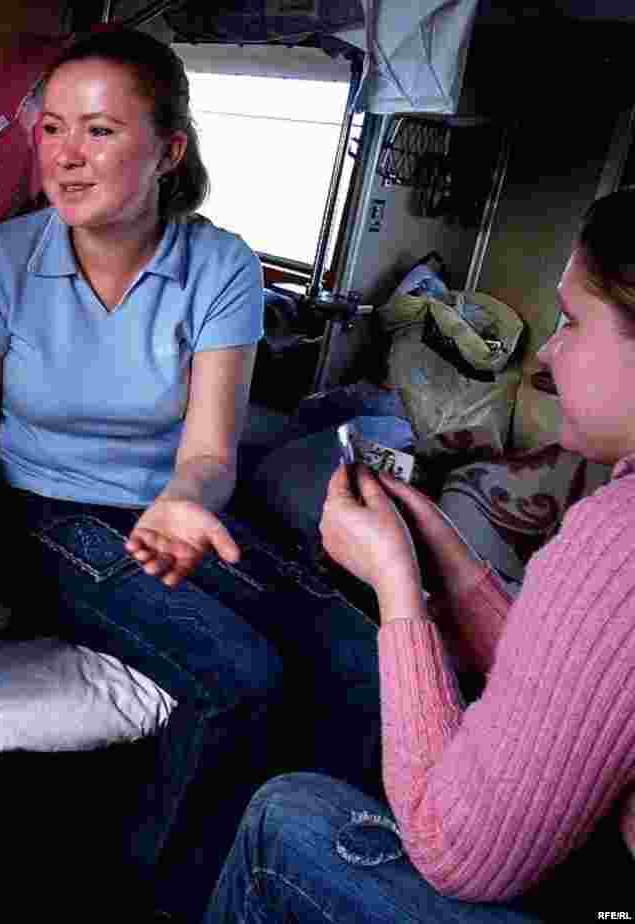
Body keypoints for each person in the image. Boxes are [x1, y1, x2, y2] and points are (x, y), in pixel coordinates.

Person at [0, 27, 382, 921]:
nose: (65, 158)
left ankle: (344, 882)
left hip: (167, 511)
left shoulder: (221, 265)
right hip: (42, 512)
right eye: (50, 130)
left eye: (99, 131)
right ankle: (168, 899)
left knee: (358, 659)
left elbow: (206, 454)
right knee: (241, 677)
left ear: (169, 150)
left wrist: (186, 501)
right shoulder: (6, 261)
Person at [203, 188, 635, 922]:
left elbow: (456, 853)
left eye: (573, 321)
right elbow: (584, 689)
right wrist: (451, 561)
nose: (550, 354)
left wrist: (397, 588)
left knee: (287, 819)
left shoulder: (617, 539)